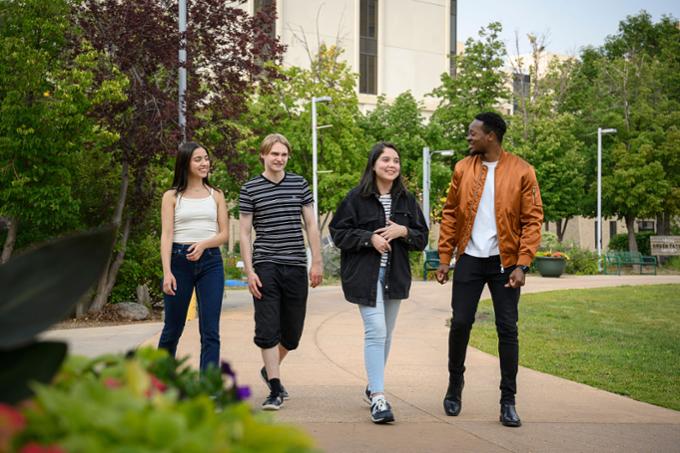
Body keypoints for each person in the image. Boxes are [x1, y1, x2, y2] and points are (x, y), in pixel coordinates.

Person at [436, 112, 543, 427]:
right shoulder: (462, 168)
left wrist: (523, 263)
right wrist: (445, 258)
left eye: (473, 133)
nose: (468, 137)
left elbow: (532, 220)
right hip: (469, 257)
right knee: (461, 324)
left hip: (505, 261)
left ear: (491, 136)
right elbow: (451, 214)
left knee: (507, 329)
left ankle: (508, 400)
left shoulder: (523, 171)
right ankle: (455, 385)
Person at [330, 142, 428, 424]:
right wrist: (368, 238)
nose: (391, 165)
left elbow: (421, 239)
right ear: (373, 164)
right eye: (385, 160)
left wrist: (404, 230)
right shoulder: (355, 198)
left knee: (386, 333)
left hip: (394, 276)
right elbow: (338, 233)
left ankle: (373, 385)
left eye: (396, 160)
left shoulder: (407, 200)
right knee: (376, 330)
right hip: (364, 276)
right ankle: (379, 398)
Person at [239, 133, 323, 411]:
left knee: (292, 334)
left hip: (296, 264)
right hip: (265, 265)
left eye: (283, 154)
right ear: (263, 155)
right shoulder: (250, 189)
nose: (279, 159)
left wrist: (317, 261)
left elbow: (311, 225)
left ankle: (268, 369)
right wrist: (249, 271)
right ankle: (275, 388)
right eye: (274, 154)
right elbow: (244, 232)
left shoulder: (299, 184)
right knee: (267, 328)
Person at [158, 142, 229, 371]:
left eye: (206, 158)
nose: (204, 163)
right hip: (179, 263)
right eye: (198, 159)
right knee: (172, 329)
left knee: (210, 331)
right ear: (185, 163)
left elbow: (225, 234)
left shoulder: (216, 195)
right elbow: (167, 235)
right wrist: (167, 272)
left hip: (211, 263)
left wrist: (204, 244)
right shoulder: (171, 196)